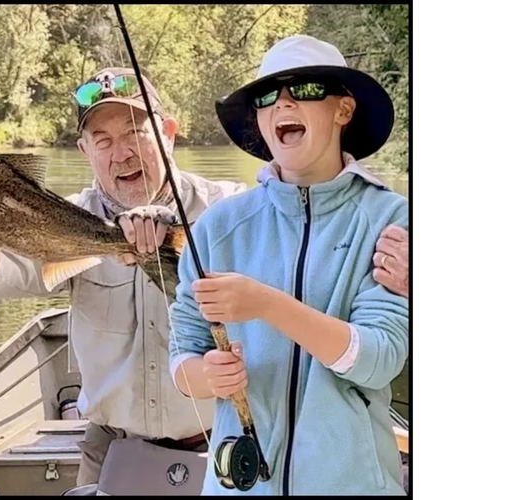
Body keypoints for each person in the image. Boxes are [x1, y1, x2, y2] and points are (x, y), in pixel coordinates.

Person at [0, 66, 410, 492]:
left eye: (136, 131)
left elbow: (318, 268)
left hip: (233, 445)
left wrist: (172, 261)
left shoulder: (232, 214)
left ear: (169, 133)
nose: (122, 152)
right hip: (111, 451)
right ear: (85, 151)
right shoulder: (61, 222)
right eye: (102, 139)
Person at [168, 34, 409, 496]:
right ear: (259, 121)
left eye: (307, 90)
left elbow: (376, 360)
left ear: (343, 110)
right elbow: (183, 351)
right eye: (267, 97)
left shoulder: (390, 220)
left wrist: (266, 303)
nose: (283, 105)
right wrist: (205, 375)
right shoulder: (218, 226)